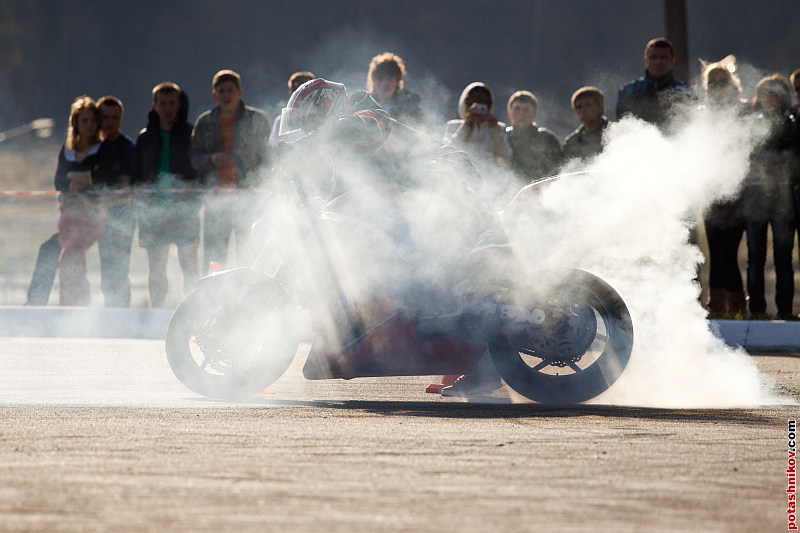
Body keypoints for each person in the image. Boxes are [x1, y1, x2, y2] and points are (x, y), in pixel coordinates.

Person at [191, 70, 271, 270]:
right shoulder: (205, 122)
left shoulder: (257, 120)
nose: (226, 95)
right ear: (214, 94)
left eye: (230, 90)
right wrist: (210, 159)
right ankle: (213, 294)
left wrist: (261, 186)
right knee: (214, 257)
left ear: (239, 92)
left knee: (250, 252)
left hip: (248, 199)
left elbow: (268, 158)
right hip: (215, 200)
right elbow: (193, 157)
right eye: (221, 91)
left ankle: (248, 294)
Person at [132, 82, 201, 308]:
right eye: (163, 103)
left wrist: (194, 198)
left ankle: (192, 314)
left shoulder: (191, 134)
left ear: (180, 104)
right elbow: (137, 176)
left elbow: (199, 172)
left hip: (184, 211)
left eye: (172, 103)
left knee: (190, 267)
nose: (168, 108)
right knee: (156, 269)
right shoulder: (145, 137)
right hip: (153, 213)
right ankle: (157, 313)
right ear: (155, 105)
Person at [741, 74, 799, 320]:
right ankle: (756, 310)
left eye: (776, 93)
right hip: (756, 195)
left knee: (783, 258)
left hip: (783, 196)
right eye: (767, 93)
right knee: (755, 258)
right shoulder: (750, 122)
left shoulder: (793, 122)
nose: (771, 98)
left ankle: (785, 310)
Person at [697, 56, 748, 318]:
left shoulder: (743, 110)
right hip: (711, 190)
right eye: (712, 82)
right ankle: (718, 307)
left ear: (732, 84)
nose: (717, 86)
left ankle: (738, 307)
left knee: (729, 250)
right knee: (715, 251)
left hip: (738, 191)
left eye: (722, 81)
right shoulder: (702, 116)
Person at [53, 96, 107, 306]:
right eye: (84, 121)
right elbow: (60, 181)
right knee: (75, 261)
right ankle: (74, 305)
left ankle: (73, 305)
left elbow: (101, 181)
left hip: (91, 215)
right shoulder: (67, 151)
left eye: (93, 121)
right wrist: (77, 183)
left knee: (68, 257)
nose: (89, 125)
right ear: (75, 123)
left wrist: (78, 183)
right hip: (68, 214)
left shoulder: (102, 150)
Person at [95, 96, 136, 307]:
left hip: (121, 216)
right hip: (94, 215)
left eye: (114, 117)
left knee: (118, 270)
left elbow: (127, 190)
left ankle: (120, 312)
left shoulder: (128, 148)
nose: (110, 122)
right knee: (104, 270)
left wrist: (102, 202)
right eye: (105, 117)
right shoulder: (92, 147)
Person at [443, 82, 511, 197]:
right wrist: (467, 125)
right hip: (460, 182)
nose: (479, 110)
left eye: (483, 105)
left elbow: (506, 157)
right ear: (465, 105)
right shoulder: (453, 126)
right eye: (473, 105)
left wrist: (494, 129)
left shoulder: (498, 128)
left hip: (491, 185)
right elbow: (448, 153)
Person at [615, 37, 693, 129]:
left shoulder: (685, 91)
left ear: (672, 61)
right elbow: (622, 125)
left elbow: (691, 125)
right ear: (646, 60)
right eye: (653, 57)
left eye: (663, 57)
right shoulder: (629, 91)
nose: (658, 62)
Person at [504, 90, 563, 183]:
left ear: (534, 114)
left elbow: (557, 172)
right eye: (517, 109)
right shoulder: (503, 138)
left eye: (526, 109)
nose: (521, 113)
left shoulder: (547, 139)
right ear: (509, 114)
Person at [366, 52, 422, 125]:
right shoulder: (362, 106)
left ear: (397, 82)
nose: (384, 84)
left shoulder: (411, 108)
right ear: (373, 81)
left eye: (389, 80)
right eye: (380, 79)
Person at [268, 70, 315, 149]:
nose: (305, 99)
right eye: (300, 94)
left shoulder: (323, 118)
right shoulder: (282, 121)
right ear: (291, 95)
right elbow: (273, 149)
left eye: (309, 94)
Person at [563, 86, 609, 162]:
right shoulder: (571, 143)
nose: (583, 110)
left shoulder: (615, 134)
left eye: (588, 105)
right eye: (578, 107)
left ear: (601, 107)